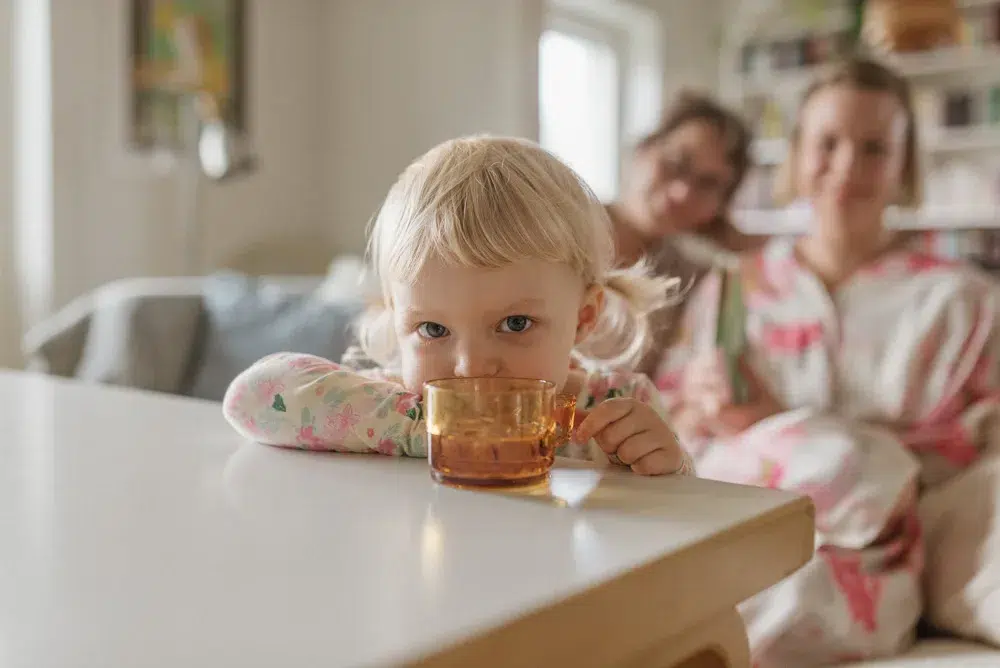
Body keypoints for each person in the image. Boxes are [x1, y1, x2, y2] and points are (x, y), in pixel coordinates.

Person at [655, 57, 1000, 665]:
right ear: (794, 156)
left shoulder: (963, 299)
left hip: (882, 557)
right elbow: (665, 431)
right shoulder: (734, 288)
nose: (847, 167)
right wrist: (697, 408)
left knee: (810, 572)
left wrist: (784, 424)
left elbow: (974, 459)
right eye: (828, 143)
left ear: (905, 165)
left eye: (875, 148)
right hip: (745, 528)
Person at [223, 136, 693, 477]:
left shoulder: (617, 409)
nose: (469, 368)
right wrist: (431, 428)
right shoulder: (391, 404)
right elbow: (253, 399)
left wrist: (667, 466)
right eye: (432, 330)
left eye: (514, 323)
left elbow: (686, 522)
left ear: (583, 319)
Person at [609, 92, 761, 370]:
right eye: (676, 163)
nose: (681, 193)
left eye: (708, 184)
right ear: (644, 148)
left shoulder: (688, 279)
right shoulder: (561, 229)